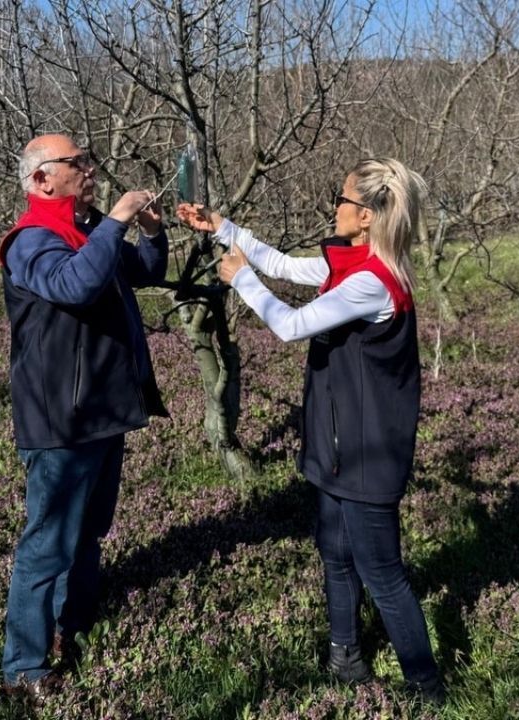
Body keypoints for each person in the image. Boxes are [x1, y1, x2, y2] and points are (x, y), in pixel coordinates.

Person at [176, 158, 445, 704]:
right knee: (334, 552)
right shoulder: (350, 266)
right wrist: (221, 228)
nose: (335, 207)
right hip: (336, 444)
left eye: (341, 199)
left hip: (367, 454)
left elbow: (290, 326)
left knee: (382, 572)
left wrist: (240, 279)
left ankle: (428, 689)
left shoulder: (372, 282)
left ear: (366, 216)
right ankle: (345, 657)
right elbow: (282, 264)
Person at [0, 133, 169, 704]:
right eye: (79, 162)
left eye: (89, 160)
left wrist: (149, 228)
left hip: (102, 411)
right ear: (43, 178)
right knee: (47, 544)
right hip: (60, 420)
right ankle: (22, 668)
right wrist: (117, 218)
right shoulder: (30, 242)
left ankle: (74, 627)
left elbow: (144, 270)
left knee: (89, 532)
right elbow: (73, 284)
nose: (91, 169)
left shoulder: (92, 226)